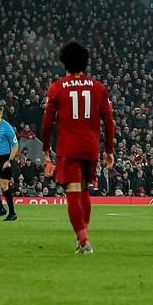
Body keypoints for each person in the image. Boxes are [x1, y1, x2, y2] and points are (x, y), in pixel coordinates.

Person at [42, 41, 115, 254]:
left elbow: (47, 122)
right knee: (84, 190)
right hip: (90, 148)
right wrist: (109, 150)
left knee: (73, 191)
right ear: (85, 62)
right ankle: (84, 236)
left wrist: (46, 148)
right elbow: (109, 121)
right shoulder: (98, 87)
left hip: (68, 148)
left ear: (64, 62)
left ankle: (83, 240)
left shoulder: (56, 87)